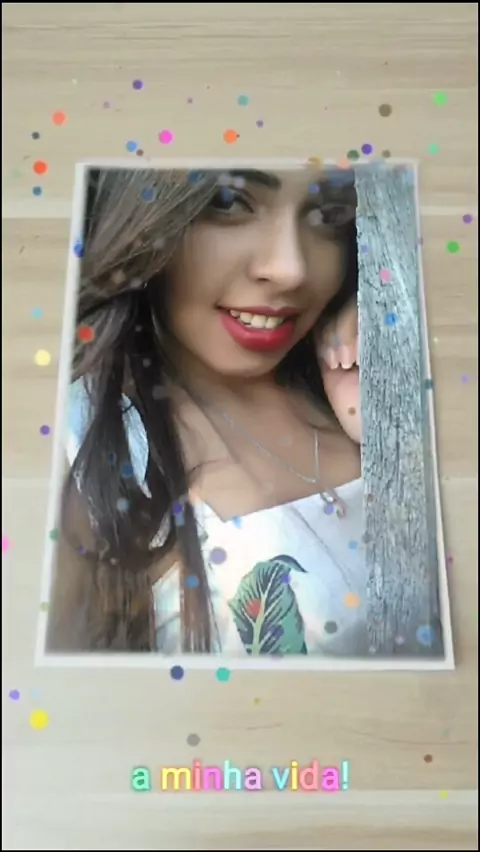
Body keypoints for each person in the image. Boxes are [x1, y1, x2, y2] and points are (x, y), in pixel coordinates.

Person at [47, 165, 366, 656]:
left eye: (330, 214)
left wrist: (394, 415)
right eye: (227, 201)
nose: (291, 269)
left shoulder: (357, 382)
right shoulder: (78, 446)